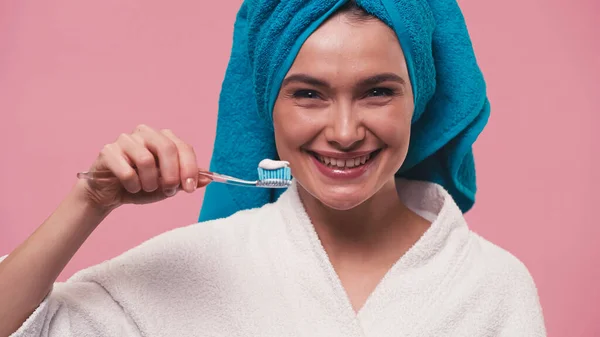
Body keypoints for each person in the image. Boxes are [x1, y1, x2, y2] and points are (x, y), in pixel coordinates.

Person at [0, 1, 546, 336]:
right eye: (308, 94)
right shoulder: (200, 268)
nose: (344, 130)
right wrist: (89, 201)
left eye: (378, 91)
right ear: (269, 108)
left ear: (419, 100)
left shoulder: (493, 286)